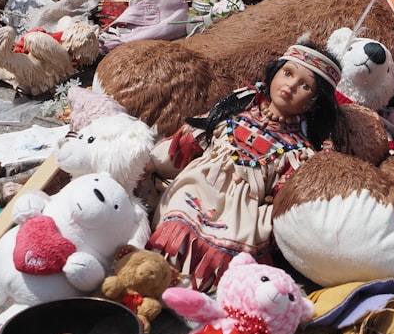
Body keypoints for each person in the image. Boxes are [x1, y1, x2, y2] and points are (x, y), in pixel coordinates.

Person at [145, 40, 341, 291]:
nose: (290, 86)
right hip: (197, 189)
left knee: (231, 244)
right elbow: (185, 143)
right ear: (275, 73)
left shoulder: (299, 152)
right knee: (178, 215)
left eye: (305, 86)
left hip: (243, 213)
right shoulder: (231, 114)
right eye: (288, 73)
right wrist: (149, 163)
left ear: (315, 102)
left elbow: (287, 201)